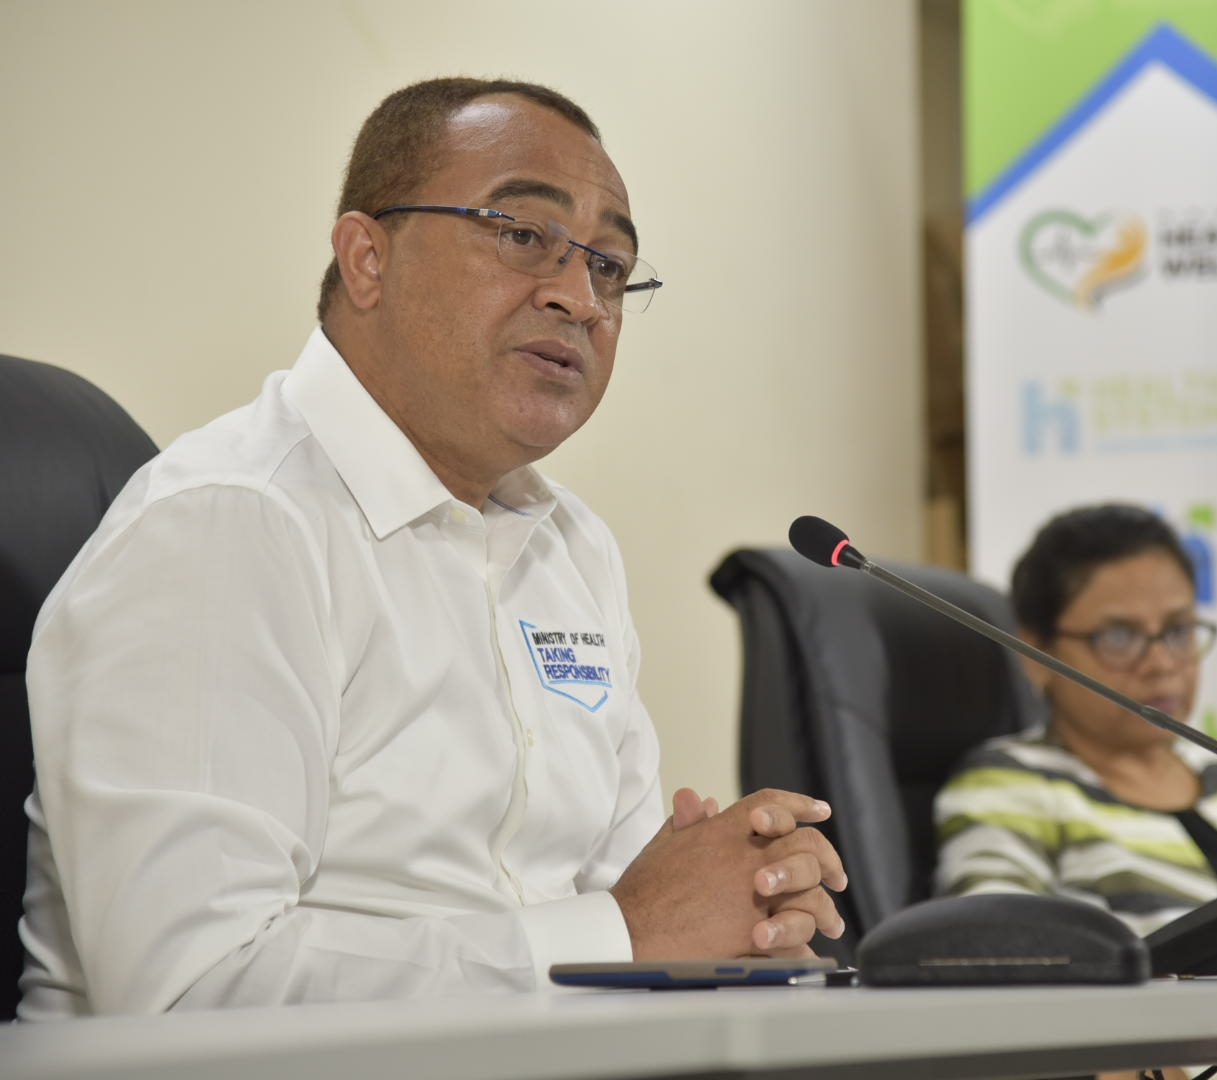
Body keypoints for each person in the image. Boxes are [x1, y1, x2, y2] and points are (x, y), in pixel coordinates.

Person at [19, 77, 845, 1019]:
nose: (580, 297)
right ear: (367, 257)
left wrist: (744, 916)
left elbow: (636, 908)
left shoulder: (571, 549)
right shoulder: (229, 523)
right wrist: (624, 932)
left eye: (611, 265)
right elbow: (190, 991)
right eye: (523, 235)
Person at [934, 503, 1217, 934]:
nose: (1159, 662)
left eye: (1177, 631)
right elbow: (995, 948)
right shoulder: (1010, 785)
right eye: (1119, 637)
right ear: (1036, 654)